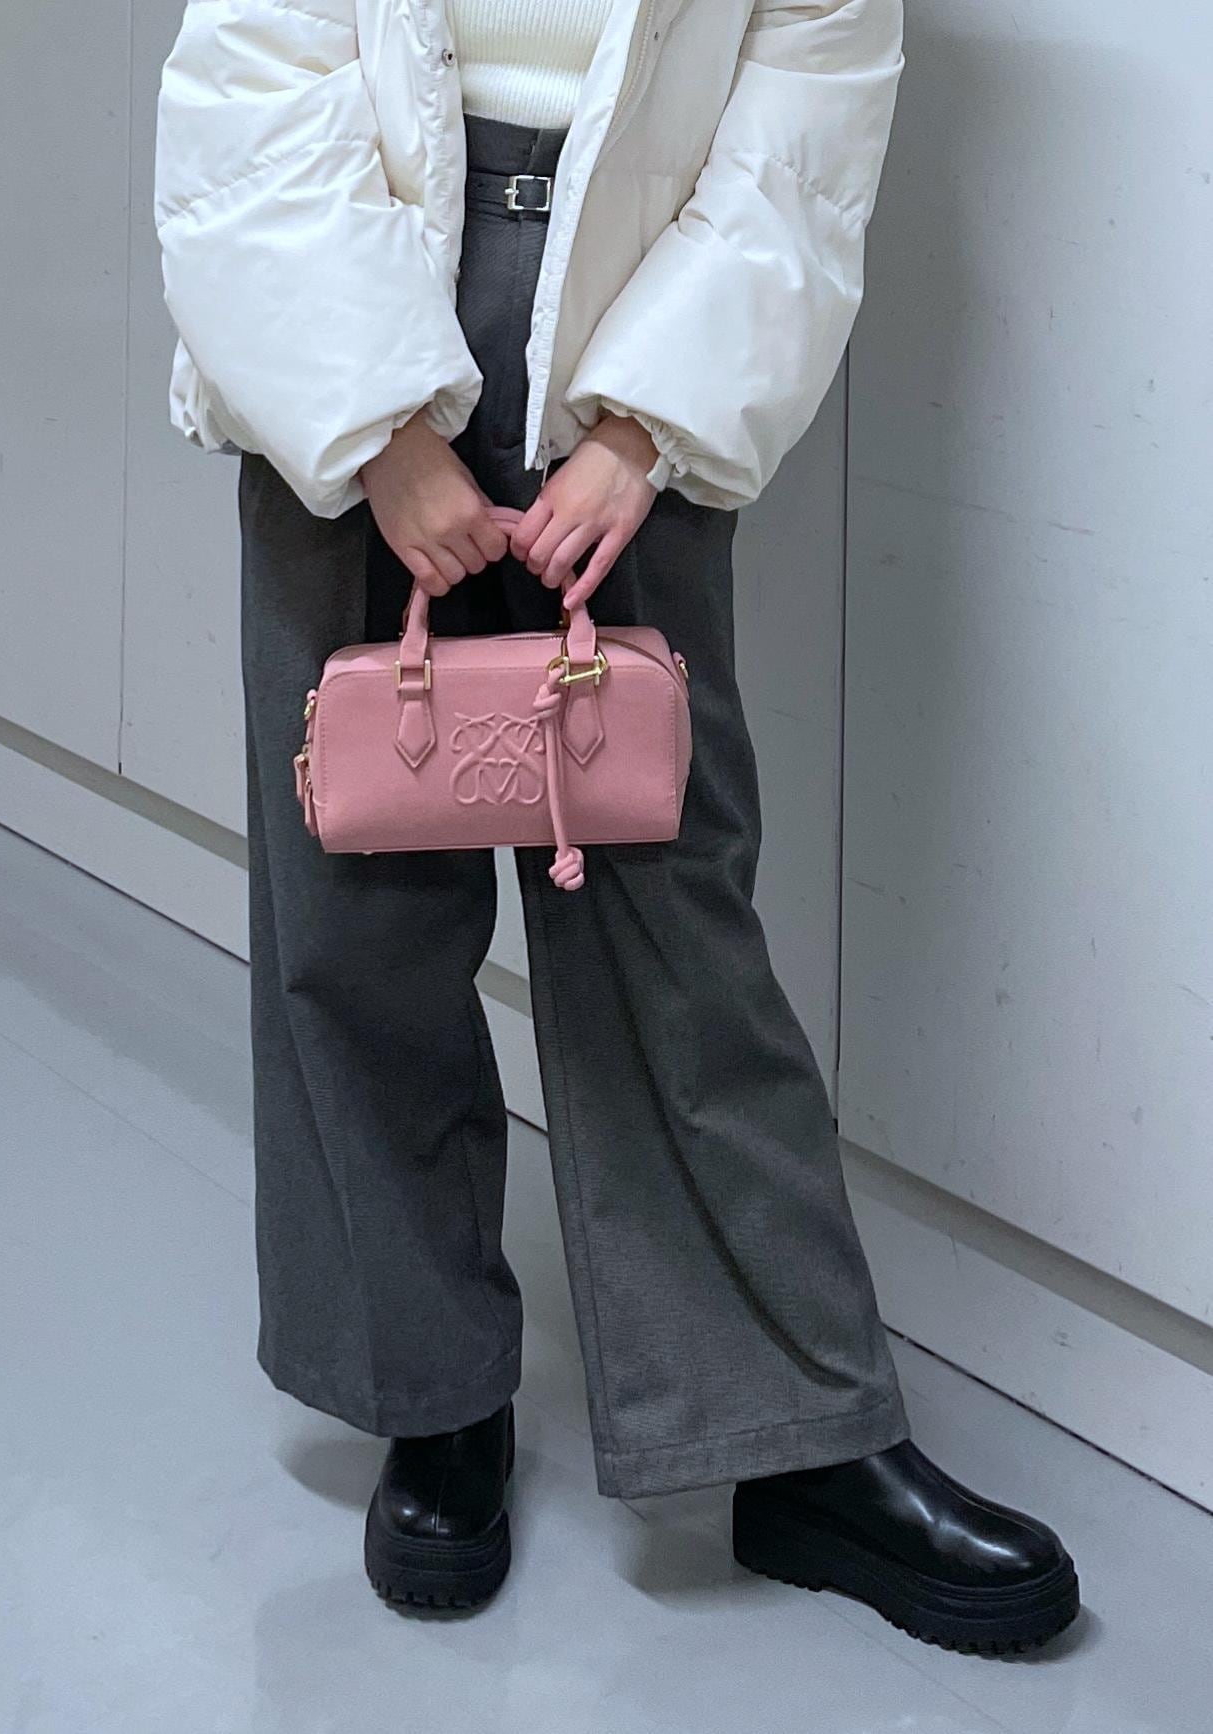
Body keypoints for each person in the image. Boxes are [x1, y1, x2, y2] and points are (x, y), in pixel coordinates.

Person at [153, 0, 1079, 1654]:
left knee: (671, 907)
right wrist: (379, 427)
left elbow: (800, 136)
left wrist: (646, 426)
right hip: (353, 267)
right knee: (354, 897)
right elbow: (255, 67)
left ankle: (792, 1429)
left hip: (637, 306)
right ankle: (432, 1395)